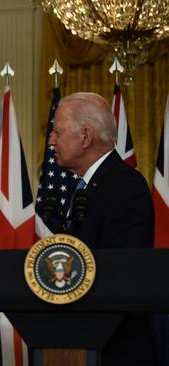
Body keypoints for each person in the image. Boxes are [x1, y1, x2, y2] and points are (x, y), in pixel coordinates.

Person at [48, 92, 156, 365]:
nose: (51, 141)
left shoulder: (125, 186)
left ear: (86, 136)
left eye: (57, 132)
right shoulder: (83, 186)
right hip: (85, 342)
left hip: (118, 348)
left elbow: (122, 269)